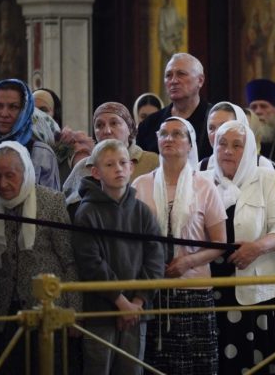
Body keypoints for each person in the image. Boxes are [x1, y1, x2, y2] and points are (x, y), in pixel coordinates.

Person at [132, 117, 227, 374]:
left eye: (177, 134)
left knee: (195, 366)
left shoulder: (204, 186)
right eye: (163, 133)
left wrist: (188, 261)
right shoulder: (140, 185)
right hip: (151, 289)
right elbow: (131, 239)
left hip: (193, 289)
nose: (169, 139)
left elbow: (221, 243)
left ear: (190, 144)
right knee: (154, 364)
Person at [204, 120, 275, 374]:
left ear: (250, 150)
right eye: (222, 144)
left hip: (254, 289)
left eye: (237, 145)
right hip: (210, 288)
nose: (228, 151)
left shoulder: (266, 178)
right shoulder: (202, 180)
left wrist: (256, 248)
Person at [0, 141, 81, 373]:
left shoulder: (52, 201)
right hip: (3, 313)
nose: (2, 183)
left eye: (10, 175)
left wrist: (75, 311)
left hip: (48, 310)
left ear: (26, 172)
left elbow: (69, 260)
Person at [72, 139, 165, 375]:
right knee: (98, 367)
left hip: (136, 310)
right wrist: (120, 302)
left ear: (132, 167)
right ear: (95, 172)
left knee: (132, 368)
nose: (118, 169)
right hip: (101, 311)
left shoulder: (142, 211)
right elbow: (90, 263)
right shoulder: (86, 212)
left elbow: (155, 258)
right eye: (110, 164)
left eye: (123, 163)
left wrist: (138, 302)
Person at [63, 102, 158, 216]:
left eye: (114, 123)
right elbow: (66, 209)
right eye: (99, 125)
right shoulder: (83, 167)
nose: (107, 131)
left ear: (129, 128)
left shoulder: (152, 162)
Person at [0, 79, 60, 190]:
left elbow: (52, 199)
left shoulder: (41, 153)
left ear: (25, 110)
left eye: (13, 107)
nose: (4, 114)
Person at [137, 53, 212, 159]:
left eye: (181, 74)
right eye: (168, 75)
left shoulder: (215, 120)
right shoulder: (149, 125)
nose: (173, 81)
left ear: (200, 80)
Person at [201, 101, 273, 170]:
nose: (217, 133)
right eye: (211, 128)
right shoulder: (203, 167)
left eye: (224, 126)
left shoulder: (262, 165)